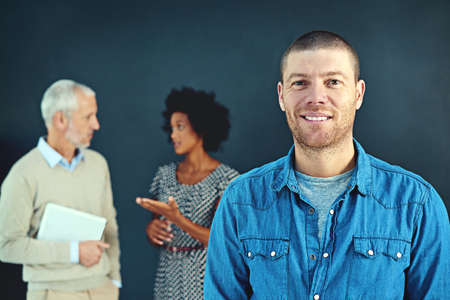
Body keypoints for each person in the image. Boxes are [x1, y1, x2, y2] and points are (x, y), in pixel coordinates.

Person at [204, 31, 450, 299]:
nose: (316, 98)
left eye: (333, 82)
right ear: (281, 95)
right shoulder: (240, 200)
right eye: (300, 83)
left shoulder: (416, 203)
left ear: (358, 94)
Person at [0, 79, 121, 300]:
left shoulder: (98, 164)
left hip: (102, 289)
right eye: (88, 117)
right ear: (60, 119)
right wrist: (75, 252)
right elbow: (7, 246)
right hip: (53, 293)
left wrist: (114, 279)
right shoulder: (23, 174)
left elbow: (109, 225)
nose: (96, 125)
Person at [136, 87, 239, 299]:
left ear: (200, 128)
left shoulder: (226, 180)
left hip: (204, 276)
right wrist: (152, 230)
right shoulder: (164, 175)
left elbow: (218, 239)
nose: (173, 135)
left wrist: (177, 218)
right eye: (171, 128)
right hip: (168, 275)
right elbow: (156, 228)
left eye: (180, 127)